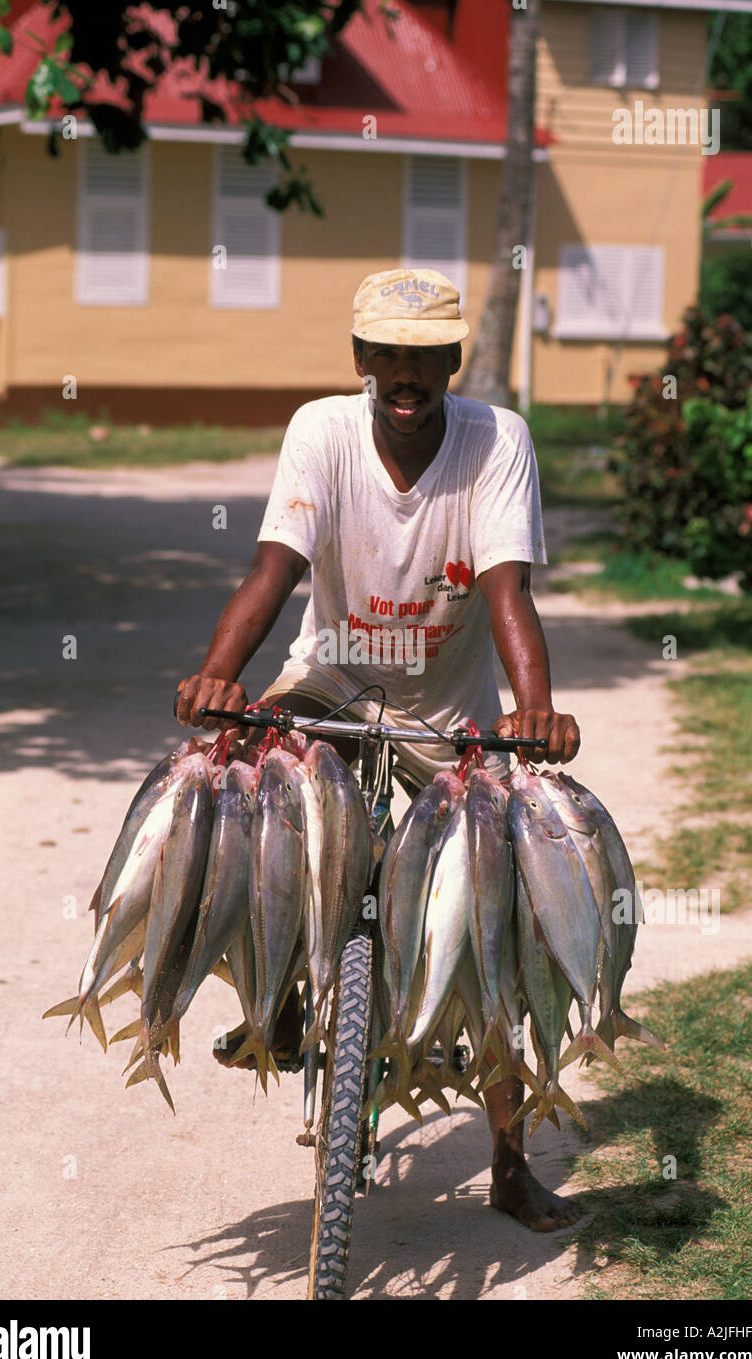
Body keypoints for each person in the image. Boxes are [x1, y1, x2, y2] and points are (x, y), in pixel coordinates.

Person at [176, 267, 581, 1232]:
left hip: (449, 714)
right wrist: (218, 677)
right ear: (360, 360)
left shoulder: (496, 441)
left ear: (453, 360)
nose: (406, 375)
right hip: (329, 683)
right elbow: (274, 570)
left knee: (502, 918)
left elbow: (507, 593)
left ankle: (509, 1160)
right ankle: (269, 990)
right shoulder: (321, 432)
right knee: (236, 805)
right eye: (387, 355)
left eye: (425, 357)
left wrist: (538, 710)